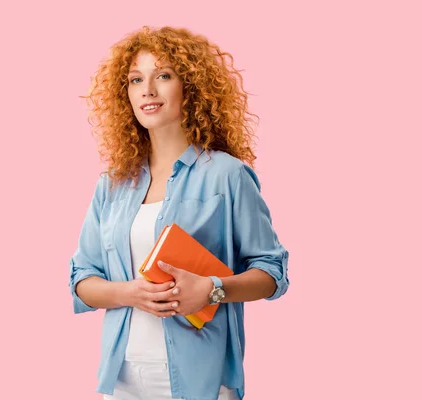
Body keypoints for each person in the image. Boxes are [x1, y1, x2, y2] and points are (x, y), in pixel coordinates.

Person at [68, 26, 289, 400]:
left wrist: (212, 289)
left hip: (201, 377)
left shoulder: (227, 175)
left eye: (163, 76)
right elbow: (82, 279)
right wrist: (129, 293)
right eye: (136, 79)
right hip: (123, 379)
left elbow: (272, 271)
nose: (147, 90)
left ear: (191, 88)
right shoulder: (113, 184)